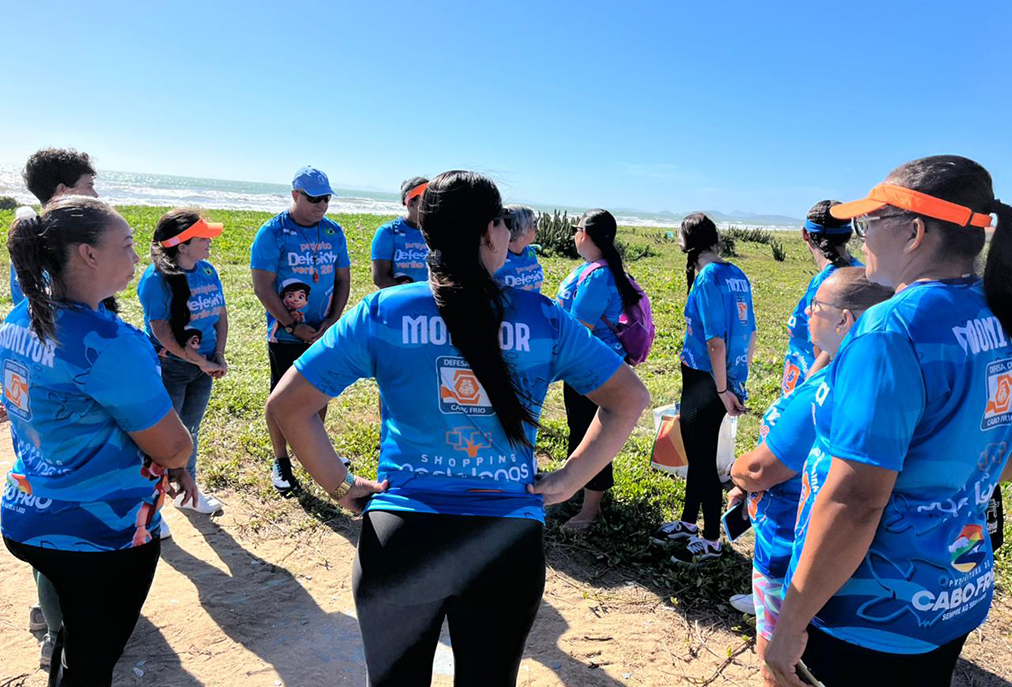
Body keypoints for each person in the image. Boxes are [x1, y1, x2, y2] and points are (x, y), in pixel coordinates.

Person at [266, 171, 649, 687]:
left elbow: (288, 407)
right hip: (506, 539)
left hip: (402, 535)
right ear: (495, 233)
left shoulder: (385, 311)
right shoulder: (541, 317)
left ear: (426, 234)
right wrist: (570, 479)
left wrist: (340, 485)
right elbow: (629, 399)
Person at [765, 155, 1012, 687]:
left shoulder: (891, 329)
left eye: (869, 222)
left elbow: (855, 501)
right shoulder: (994, 312)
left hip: (872, 609)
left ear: (914, 232)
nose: (861, 236)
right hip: (956, 592)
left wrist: (789, 624)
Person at [2, 197, 194, 686]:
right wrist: (179, 456)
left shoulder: (19, 318)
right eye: (127, 246)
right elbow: (172, 447)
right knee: (92, 664)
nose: (135, 258)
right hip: (99, 535)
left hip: (27, 512)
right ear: (88, 254)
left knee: (75, 641)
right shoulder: (109, 343)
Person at [726, 268, 892, 683]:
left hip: (787, 546)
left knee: (778, 660)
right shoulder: (849, 366)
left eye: (816, 306)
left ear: (846, 320)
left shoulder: (834, 389)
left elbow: (764, 468)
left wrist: (736, 472)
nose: (805, 315)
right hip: (802, 541)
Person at [11, 147, 99, 668]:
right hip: (66, 402)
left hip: (41, 399)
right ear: (64, 190)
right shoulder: (57, 245)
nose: (96, 189)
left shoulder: (33, 238)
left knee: (45, 496)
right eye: (90, 182)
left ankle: (51, 614)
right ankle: (60, 631)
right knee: (61, 512)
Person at [655, 213, 756, 563]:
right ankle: (687, 522)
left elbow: (715, 341)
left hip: (705, 381)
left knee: (701, 461)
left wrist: (722, 388)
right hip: (723, 379)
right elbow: (751, 334)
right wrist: (736, 381)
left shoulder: (708, 279)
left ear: (686, 243)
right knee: (698, 456)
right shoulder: (737, 275)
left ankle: (712, 540)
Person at [250, 166, 351, 496]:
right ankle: (282, 461)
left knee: (319, 392)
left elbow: (342, 280)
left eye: (326, 198)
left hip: (323, 333)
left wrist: (331, 322)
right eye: (314, 198)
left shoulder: (334, 233)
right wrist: (294, 324)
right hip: (286, 334)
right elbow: (262, 287)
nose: (321, 204)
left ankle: (313, 453)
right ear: (295, 195)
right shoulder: (273, 233)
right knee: (280, 399)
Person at [555, 209, 643, 531]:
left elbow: (580, 329)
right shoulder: (599, 270)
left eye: (577, 228)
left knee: (590, 436)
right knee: (583, 432)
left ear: (587, 235)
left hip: (590, 369)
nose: (574, 234)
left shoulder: (596, 276)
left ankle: (591, 511)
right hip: (592, 367)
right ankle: (576, 494)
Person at [138, 209, 229, 517]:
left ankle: (187, 493)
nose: (209, 242)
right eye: (203, 237)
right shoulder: (155, 280)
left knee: (190, 431)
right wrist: (198, 360)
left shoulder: (207, 271)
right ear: (182, 245)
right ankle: (152, 505)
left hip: (202, 366)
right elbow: (161, 331)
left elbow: (221, 314)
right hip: (170, 368)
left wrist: (218, 354)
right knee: (161, 436)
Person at [780, 201, 862, 396]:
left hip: (812, 390)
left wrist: (799, 403)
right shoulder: (861, 272)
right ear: (849, 235)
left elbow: (822, 350)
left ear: (805, 234)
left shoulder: (825, 284)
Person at [11, 149, 98, 307]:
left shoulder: (24, 234)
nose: (95, 195)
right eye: (89, 186)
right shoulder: (67, 242)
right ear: (62, 191)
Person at [371, 177, 429, 288]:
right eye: (428, 201)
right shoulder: (388, 232)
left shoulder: (438, 232)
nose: (434, 205)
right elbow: (380, 278)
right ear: (411, 203)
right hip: (399, 300)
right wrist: (412, 298)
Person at [494, 205, 544, 292]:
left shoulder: (529, 252)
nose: (537, 229)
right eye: (534, 224)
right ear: (520, 227)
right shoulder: (497, 256)